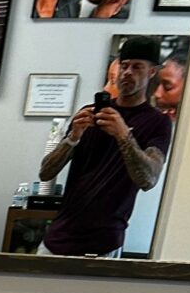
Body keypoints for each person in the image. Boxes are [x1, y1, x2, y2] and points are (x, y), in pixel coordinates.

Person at [39, 36, 172, 257]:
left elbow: (148, 180)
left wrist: (123, 135)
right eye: (124, 65)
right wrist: (73, 137)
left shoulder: (157, 122)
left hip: (104, 242)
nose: (127, 72)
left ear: (151, 72)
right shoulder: (90, 113)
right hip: (58, 236)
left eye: (137, 67)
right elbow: (45, 173)